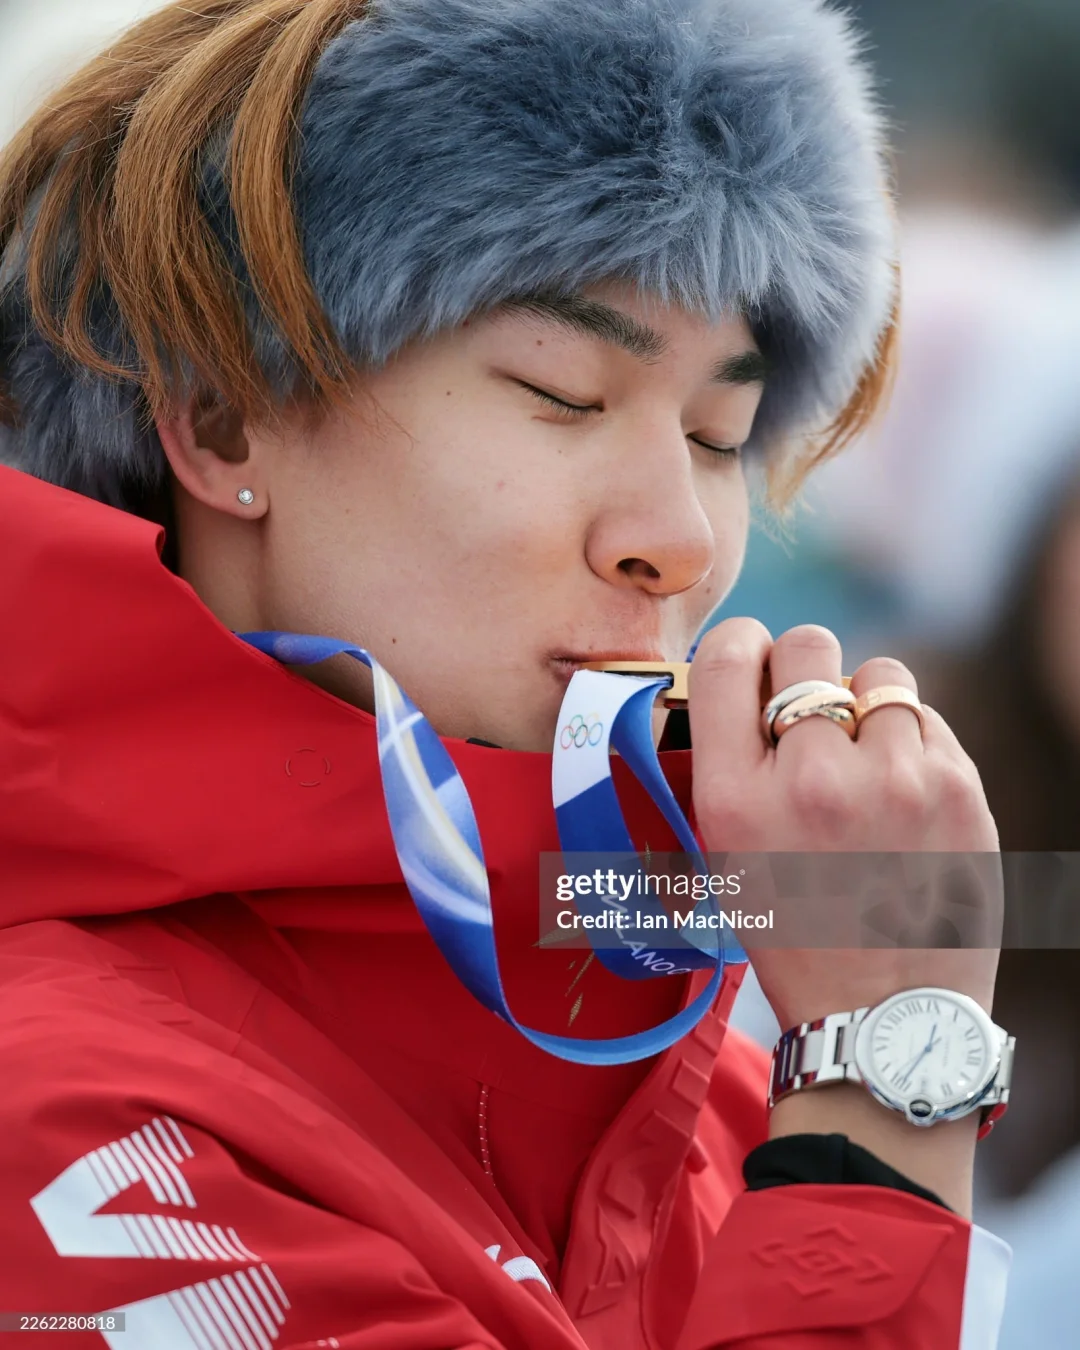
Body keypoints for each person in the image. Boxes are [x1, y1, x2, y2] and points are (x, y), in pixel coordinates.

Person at [0, 0, 1012, 1345]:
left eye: (720, 433)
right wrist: (881, 1102)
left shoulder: (708, 1082)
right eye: (563, 393)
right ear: (221, 414)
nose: (682, 540)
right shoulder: (63, 1115)